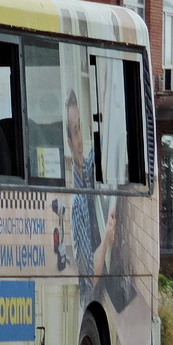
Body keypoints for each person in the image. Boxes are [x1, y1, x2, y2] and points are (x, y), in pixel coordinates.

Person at [65, 89, 116, 305]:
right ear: (68, 140)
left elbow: (105, 142)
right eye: (74, 132)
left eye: (80, 128)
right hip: (94, 301)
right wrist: (106, 238)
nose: (79, 140)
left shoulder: (87, 170)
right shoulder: (77, 205)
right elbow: (89, 281)